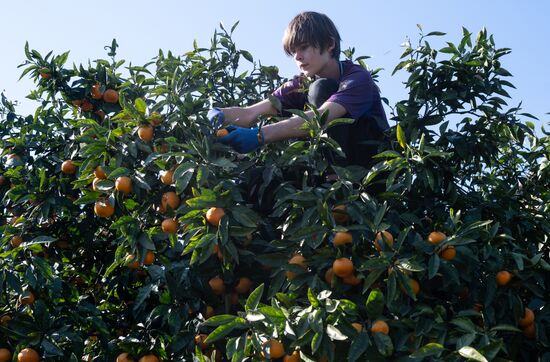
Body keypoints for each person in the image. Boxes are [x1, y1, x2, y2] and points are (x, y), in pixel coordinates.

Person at [208, 11, 389, 169]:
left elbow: (320, 119)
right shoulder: (300, 84)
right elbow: (250, 113)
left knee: (320, 88)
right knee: (259, 179)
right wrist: (217, 115)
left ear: (329, 44)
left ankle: (340, 181)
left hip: (371, 168)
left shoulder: (357, 78)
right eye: (293, 51)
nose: (298, 56)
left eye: (303, 47)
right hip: (324, 169)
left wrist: (259, 136)